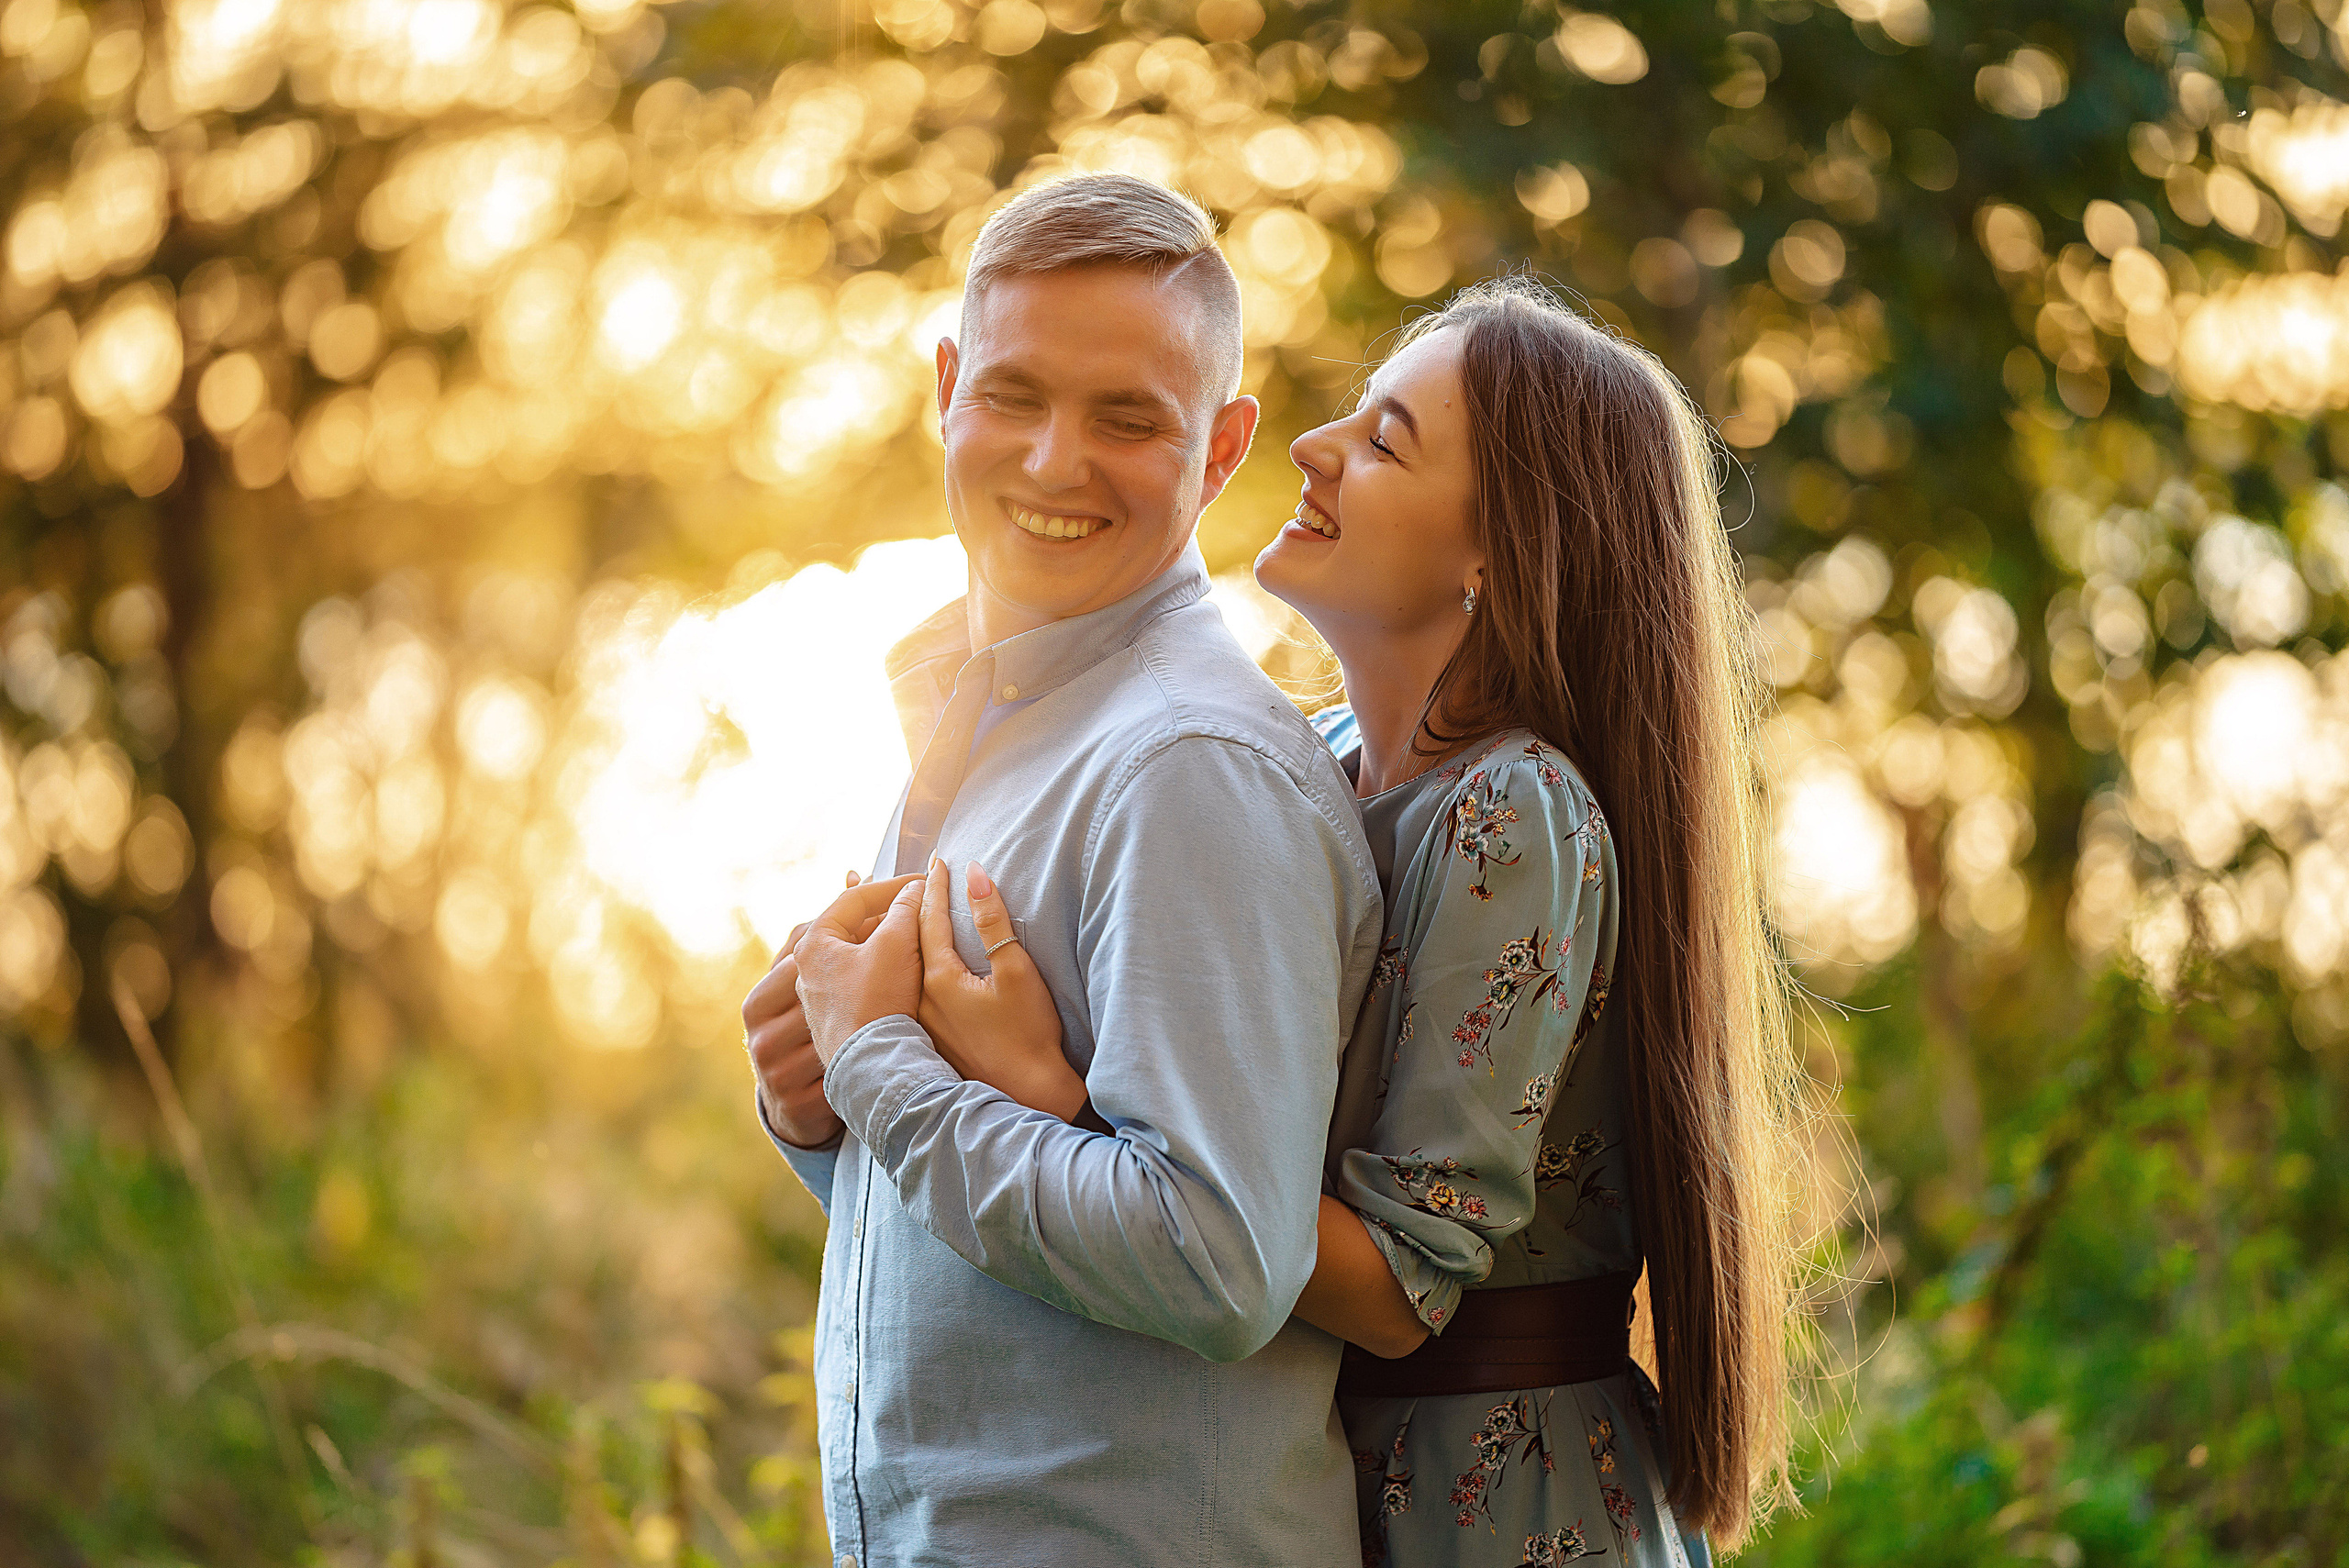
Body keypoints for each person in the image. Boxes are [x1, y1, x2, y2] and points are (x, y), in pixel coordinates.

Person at [894, 277, 1805, 1567]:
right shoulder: (1307, 765)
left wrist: (1058, 1095)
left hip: (1496, 1508)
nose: (1314, 448)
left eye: (1386, 441)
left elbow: (1393, 1289)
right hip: (1327, 1480)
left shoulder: (1513, 810)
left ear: (1499, 553)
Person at [741, 171, 1384, 1568]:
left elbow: (1216, 1262)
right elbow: (1000, 1241)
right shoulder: (980, 729)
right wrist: (820, 1110)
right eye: (1015, 396)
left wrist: (880, 1069)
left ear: (1221, 449)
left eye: (1127, 419)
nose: (1052, 462)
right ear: (947, 389)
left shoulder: (1187, 766)